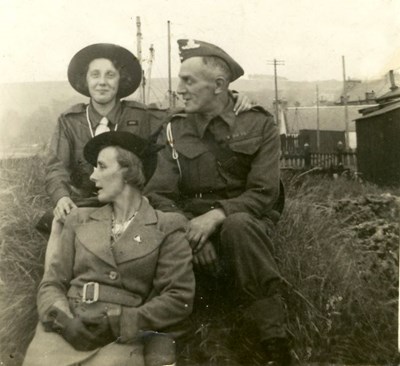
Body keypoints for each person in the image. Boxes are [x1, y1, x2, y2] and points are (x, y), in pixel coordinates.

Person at [144, 39, 291, 366]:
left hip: (245, 220)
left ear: (219, 86)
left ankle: (276, 342)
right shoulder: (173, 129)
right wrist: (190, 233)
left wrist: (216, 217)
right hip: (188, 221)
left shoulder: (258, 123)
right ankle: (181, 338)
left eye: (189, 80)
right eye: (180, 79)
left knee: (237, 226)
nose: (179, 88)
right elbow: (159, 194)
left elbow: (264, 192)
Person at [23, 131, 194, 366]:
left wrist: (118, 323)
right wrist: (63, 321)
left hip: (120, 338)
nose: (93, 176)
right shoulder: (79, 219)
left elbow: (178, 298)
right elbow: (52, 282)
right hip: (64, 331)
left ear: (129, 172)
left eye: (101, 167)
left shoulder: (167, 226)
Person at [40, 43, 252, 230]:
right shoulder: (69, 121)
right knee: (56, 223)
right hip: (86, 202)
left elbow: (186, 111)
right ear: (85, 80)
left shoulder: (143, 115)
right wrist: (62, 197)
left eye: (110, 75)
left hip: (132, 204)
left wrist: (230, 97)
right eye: (95, 75)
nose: (102, 82)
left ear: (120, 80)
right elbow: (56, 167)